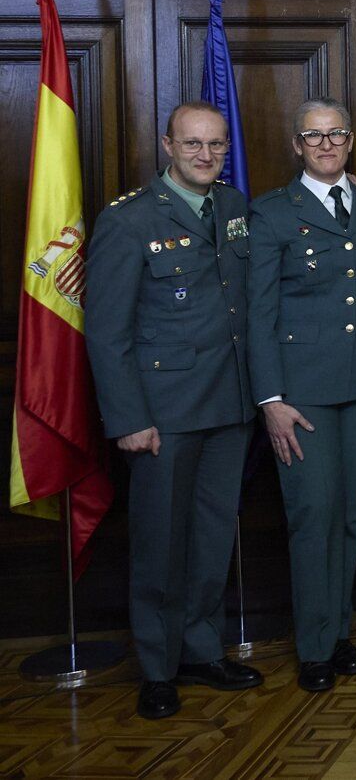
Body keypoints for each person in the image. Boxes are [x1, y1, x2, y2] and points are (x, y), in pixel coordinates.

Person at [86, 102, 263, 719]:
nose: (206, 155)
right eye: (193, 144)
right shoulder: (129, 220)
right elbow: (107, 332)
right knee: (160, 545)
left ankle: (201, 651)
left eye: (216, 144)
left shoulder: (235, 207)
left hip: (229, 405)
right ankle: (158, 668)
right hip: (163, 413)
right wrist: (129, 418)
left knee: (212, 540)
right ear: (167, 145)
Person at [247, 98, 356, 692]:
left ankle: (339, 633)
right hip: (302, 391)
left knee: (350, 515)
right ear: (297, 146)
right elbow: (259, 314)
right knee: (314, 516)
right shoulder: (272, 213)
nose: (326, 144)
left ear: (351, 140)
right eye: (314, 136)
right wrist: (270, 399)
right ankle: (314, 646)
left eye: (336, 134)